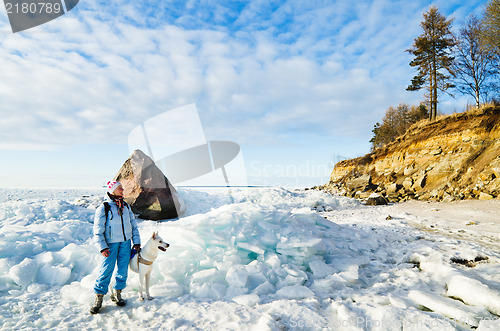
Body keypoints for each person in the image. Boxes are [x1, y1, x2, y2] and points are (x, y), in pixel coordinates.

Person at [90, 181, 141, 315]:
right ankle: (99, 297)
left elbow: (133, 225)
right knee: (106, 270)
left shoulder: (126, 206)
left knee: (123, 269)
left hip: (125, 243)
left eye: (122, 188)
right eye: (119, 188)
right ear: (112, 190)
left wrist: (136, 242)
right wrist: (102, 247)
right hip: (110, 245)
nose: (122, 190)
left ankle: (117, 293)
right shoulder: (104, 207)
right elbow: (97, 230)